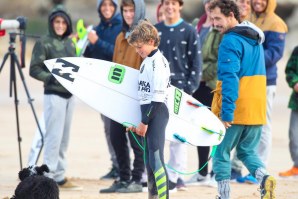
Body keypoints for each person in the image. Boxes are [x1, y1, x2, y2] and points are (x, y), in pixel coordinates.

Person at [209, 0, 276, 198]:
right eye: (212, 18)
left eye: (218, 18)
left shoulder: (230, 41)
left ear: (231, 16)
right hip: (257, 108)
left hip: (237, 108)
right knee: (247, 152)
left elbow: (230, 78)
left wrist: (226, 113)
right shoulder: (254, 39)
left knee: (220, 153)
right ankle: (264, 178)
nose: (214, 23)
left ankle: (223, 195)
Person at [231, 0, 288, 184]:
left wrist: (249, 58)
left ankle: (261, 169)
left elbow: (275, 54)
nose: (257, 2)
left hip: (266, 81)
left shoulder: (276, 23)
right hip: (248, 80)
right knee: (249, 123)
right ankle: (250, 169)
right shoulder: (251, 20)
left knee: (263, 125)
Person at [29, 5, 81, 190]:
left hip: (70, 97)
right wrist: (50, 78)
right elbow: (34, 69)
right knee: (53, 137)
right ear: (52, 23)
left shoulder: (70, 43)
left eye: (63, 22)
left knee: (64, 138)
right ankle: (48, 178)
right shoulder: (44, 42)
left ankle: (59, 176)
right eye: (57, 22)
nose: (60, 25)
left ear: (68, 24)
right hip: (54, 95)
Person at [99, 0, 146, 193]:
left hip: (136, 97)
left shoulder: (146, 35)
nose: (128, 14)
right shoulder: (120, 36)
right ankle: (124, 178)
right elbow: (114, 67)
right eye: (125, 10)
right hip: (118, 97)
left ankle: (136, 179)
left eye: (132, 10)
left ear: (139, 11)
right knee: (116, 137)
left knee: (137, 141)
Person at [155, 0, 202, 191]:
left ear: (180, 6)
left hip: (181, 90)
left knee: (177, 137)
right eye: (166, 3)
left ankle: (175, 177)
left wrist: (189, 90)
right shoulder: (155, 30)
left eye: (174, 3)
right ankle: (156, 174)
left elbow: (196, 63)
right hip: (157, 89)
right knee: (157, 135)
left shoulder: (189, 31)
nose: (170, 7)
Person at [127, 19, 171, 199]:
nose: (138, 51)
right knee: (149, 161)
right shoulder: (147, 60)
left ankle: (164, 197)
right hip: (148, 112)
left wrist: (144, 121)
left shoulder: (158, 63)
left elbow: (158, 98)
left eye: (139, 47)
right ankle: (153, 196)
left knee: (156, 158)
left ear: (151, 41)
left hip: (157, 113)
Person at [83, 0, 122, 180]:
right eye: (103, 5)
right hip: (101, 89)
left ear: (115, 8)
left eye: (110, 5)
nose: (107, 8)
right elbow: (91, 57)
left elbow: (117, 54)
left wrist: (97, 42)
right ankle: (116, 165)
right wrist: (85, 44)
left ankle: (125, 166)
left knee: (120, 129)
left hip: (118, 87)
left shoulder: (122, 27)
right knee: (108, 129)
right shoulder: (97, 28)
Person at [186, 0, 221, 187]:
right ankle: (202, 173)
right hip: (196, 85)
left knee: (213, 128)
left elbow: (218, 60)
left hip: (211, 84)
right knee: (199, 128)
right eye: (206, 1)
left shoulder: (220, 27)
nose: (209, 4)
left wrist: (198, 73)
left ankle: (216, 172)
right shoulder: (196, 24)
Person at [278, 46, 298, 178]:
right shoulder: (297, 50)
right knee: (294, 134)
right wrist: (295, 82)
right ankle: (297, 167)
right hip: (297, 101)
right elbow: (289, 70)